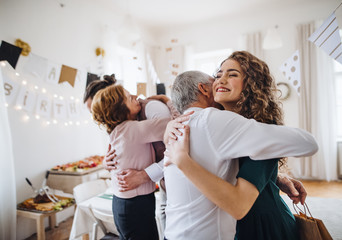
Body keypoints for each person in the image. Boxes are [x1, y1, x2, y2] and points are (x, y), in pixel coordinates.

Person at [162, 68, 318, 240]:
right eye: (217, 77)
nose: (220, 81)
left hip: (261, 224)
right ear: (204, 89)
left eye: (232, 75)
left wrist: (272, 176)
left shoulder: (181, 129)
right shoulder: (211, 121)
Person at [91, 83, 172, 240]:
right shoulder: (135, 129)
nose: (136, 96)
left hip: (123, 203)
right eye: (129, 97)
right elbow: (176, 122)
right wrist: (167, 100)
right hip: (136, 205)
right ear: (120, 109)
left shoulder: (116, 131)